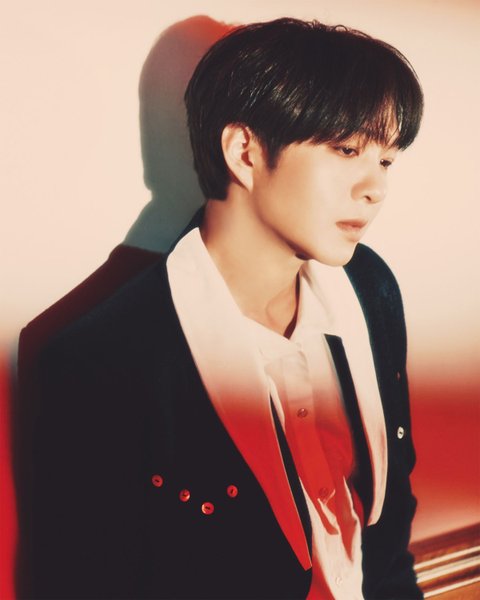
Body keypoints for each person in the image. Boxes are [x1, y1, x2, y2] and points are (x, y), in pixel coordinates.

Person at [16, 17, 424, 599]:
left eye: (386, 160)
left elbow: (388, 541)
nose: (375, 189)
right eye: (347, 148)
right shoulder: (102, 363)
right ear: (244, 151)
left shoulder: (370, 288)